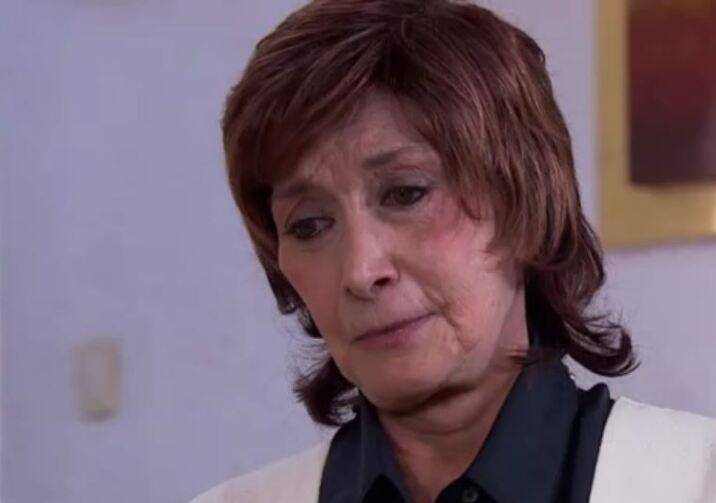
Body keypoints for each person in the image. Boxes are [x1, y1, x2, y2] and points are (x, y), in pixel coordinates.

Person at [190, 1, 716, 502]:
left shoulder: (695, 480)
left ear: (525, 202)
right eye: (308, 225)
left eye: (406, 194)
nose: (361, 270)